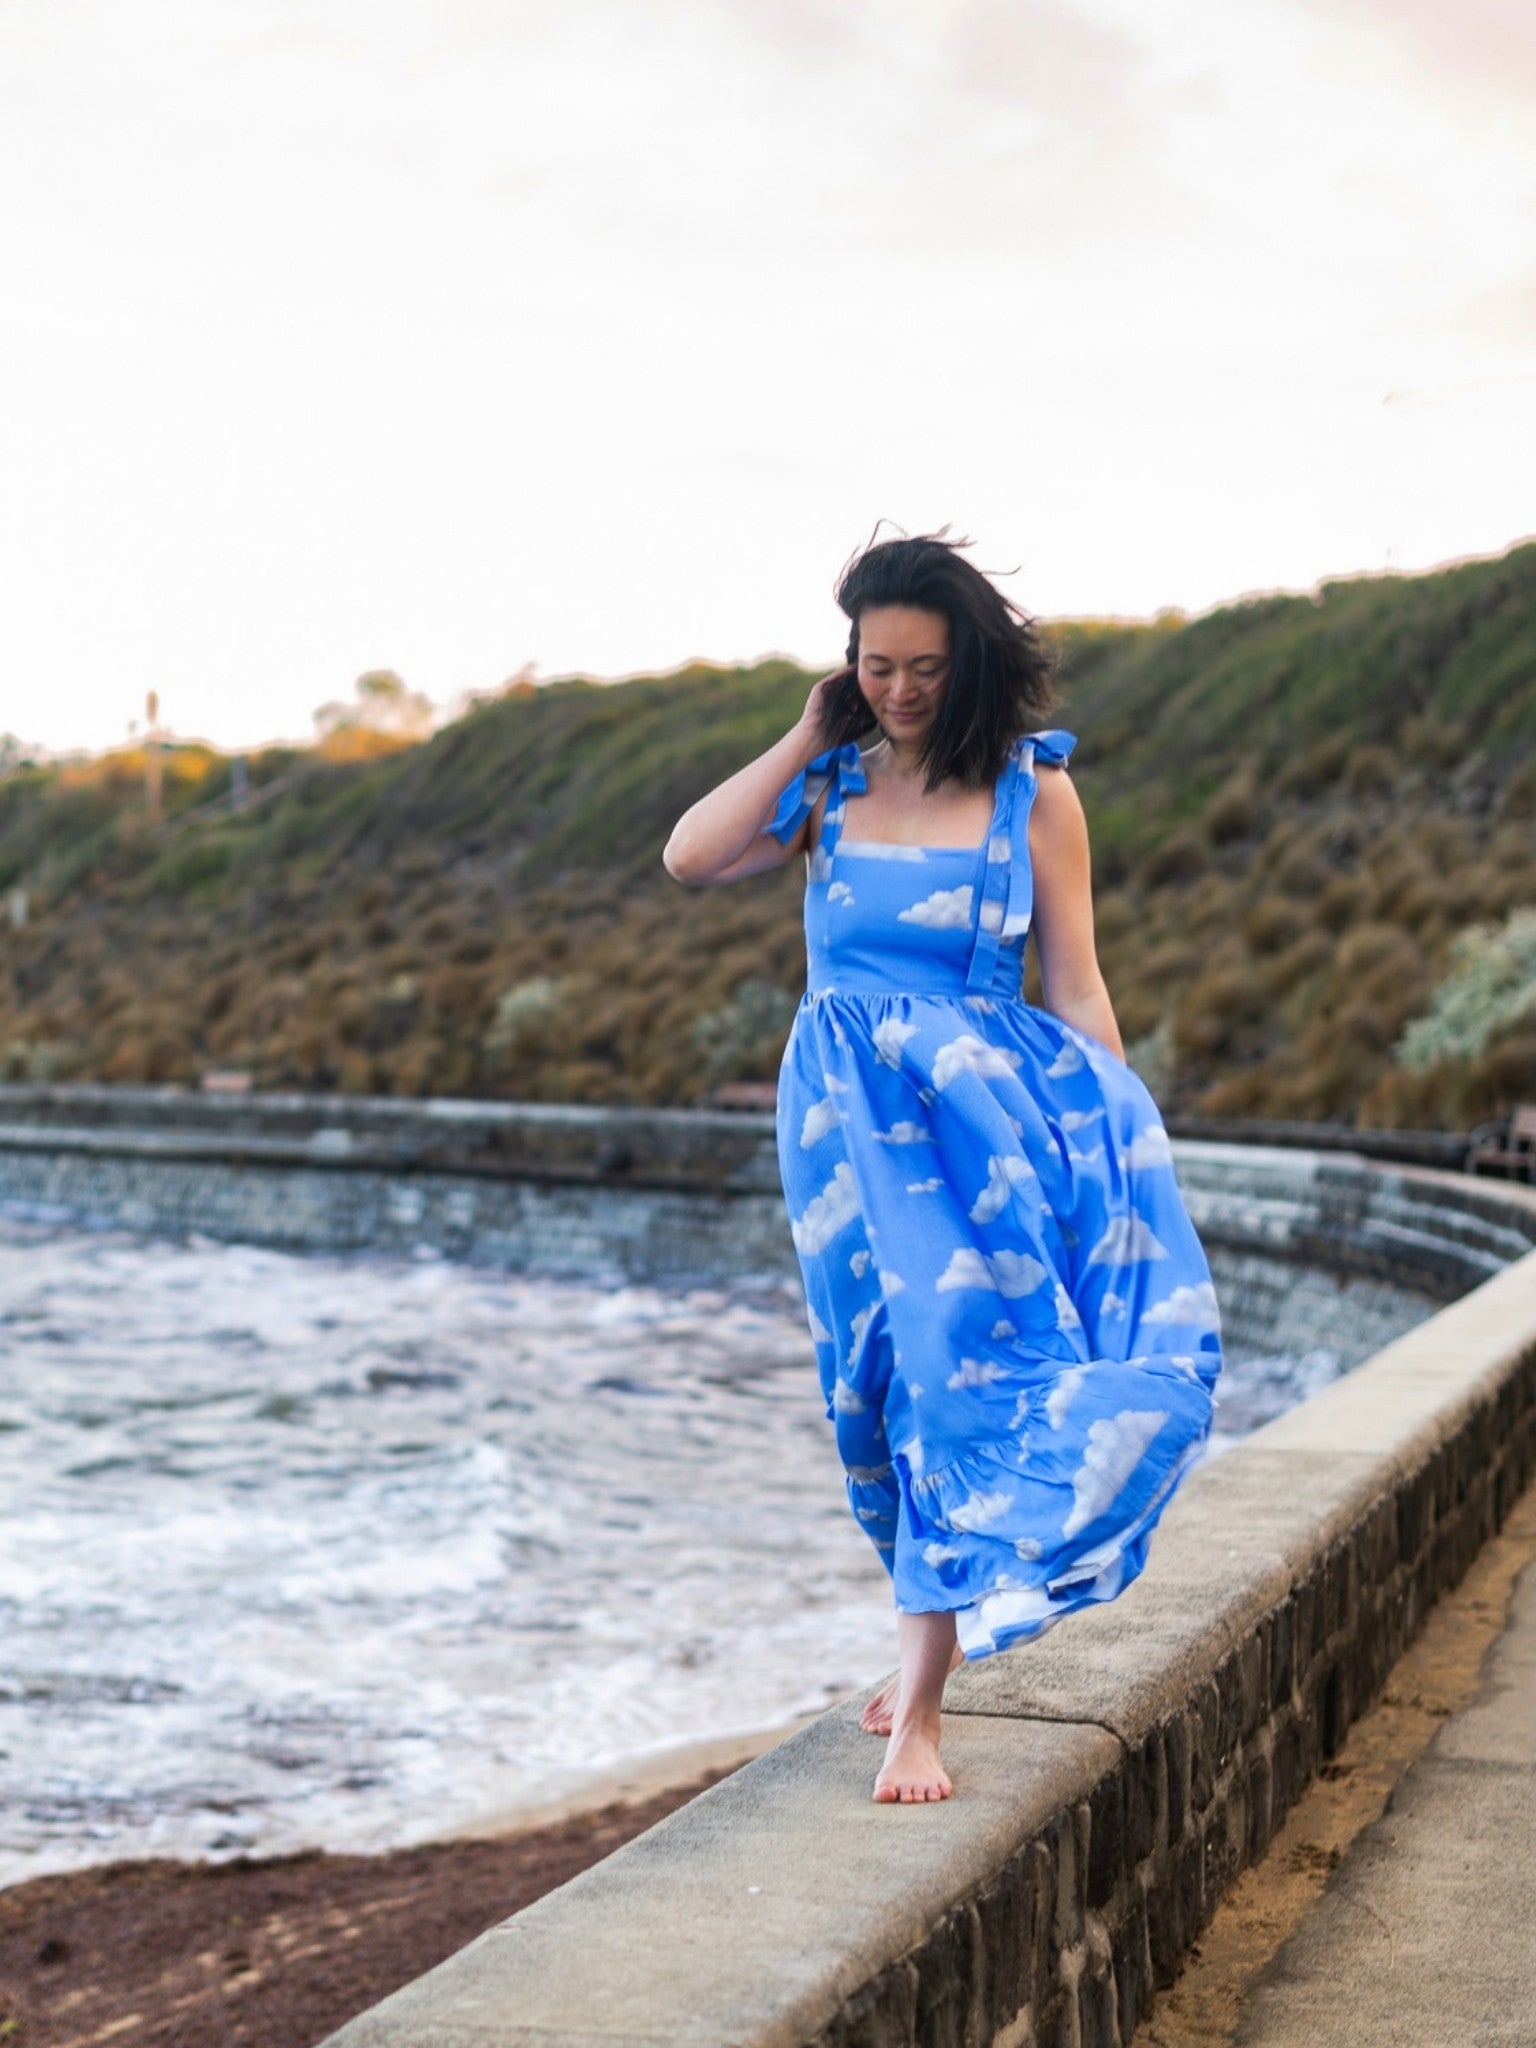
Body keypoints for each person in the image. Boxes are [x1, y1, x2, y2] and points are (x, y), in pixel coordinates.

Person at [663, 534, 1221, 1805]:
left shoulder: (1037, 793)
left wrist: (1121, 1144)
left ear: (968, 661)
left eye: (925, 666)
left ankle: (921, 1703)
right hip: (844, 1134)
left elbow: (1075, 980)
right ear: (848, 666)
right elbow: (691, 857)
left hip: (991, 1127)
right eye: (877, 666)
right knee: (871, 1385)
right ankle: (925, 1616)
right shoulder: (830, 784)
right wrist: (807, 731)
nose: (902, 689)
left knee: (953, 1378)